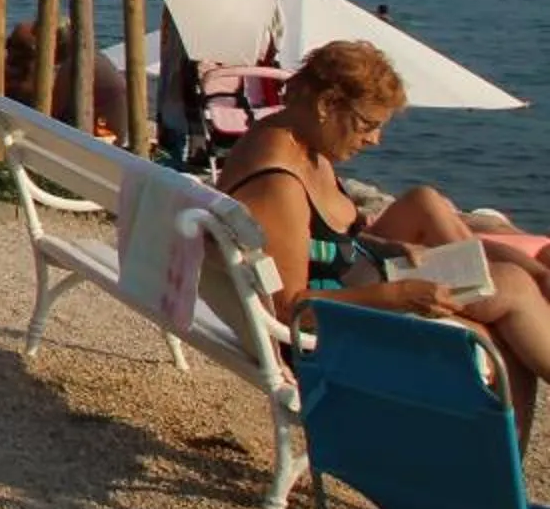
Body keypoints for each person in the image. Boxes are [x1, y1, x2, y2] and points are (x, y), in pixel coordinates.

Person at [218, 39, 550, 439]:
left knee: (464, 241)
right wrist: (401, 296)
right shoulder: (279, 184)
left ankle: (497, 486)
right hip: (323, 341)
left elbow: (313, 241)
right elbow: (291, 310)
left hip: (352, 283)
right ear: (327, 105)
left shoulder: (288, 137)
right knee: (505, 320)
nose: (375, 140)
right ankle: (494, 489)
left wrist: (381, 247)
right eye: (368, 125)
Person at [2, 21, 129, 139]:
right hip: (103, 127)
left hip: (100, 138)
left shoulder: (74, 66)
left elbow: (47, 108)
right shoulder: (84, 56)